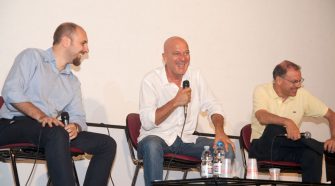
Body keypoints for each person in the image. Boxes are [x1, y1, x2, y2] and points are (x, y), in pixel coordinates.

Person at [0, 22, 117, 186]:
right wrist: (40, 116)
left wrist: (75, 127)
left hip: (48, 130)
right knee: (57, 132)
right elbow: (11, 92)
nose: (86, 49)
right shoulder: (32, 57)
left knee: (107, 144)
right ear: (66, 41)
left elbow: (79, 116)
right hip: (11, 124)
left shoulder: (73, 82)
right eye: (83, 43)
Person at [138, 36, 235, 186]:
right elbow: (147, 122)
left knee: (225, 149)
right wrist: (175, 102)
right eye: (177, 53)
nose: (183, 58)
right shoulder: (151, 80)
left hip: (186, 140)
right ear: (164, 58)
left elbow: (213, 105)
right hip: (156, 138)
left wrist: (220, 131)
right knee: (152, 146)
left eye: (186, 53)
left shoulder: (195, 75)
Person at [249, 60, 335, 183]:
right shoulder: (262, 90)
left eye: (300, 81)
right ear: (278, 80)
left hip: (288, 147)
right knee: (274, 128)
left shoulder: (302, 95)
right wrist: (288, 122)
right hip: (263, 147)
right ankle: (321, 146)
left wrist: (334, 138)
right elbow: (262, 116)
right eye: (294, 81)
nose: (298, 85)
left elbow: (332, 115)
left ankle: (317, 148)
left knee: (312, 154)